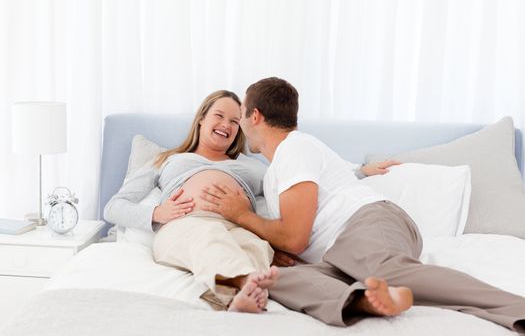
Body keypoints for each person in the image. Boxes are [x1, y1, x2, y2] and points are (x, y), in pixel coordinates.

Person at [200, 77, 525, 331]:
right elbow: (336, 180)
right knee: (274, 280)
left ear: (254, 115)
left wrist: (241, 214)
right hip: (340, 255)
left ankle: (517, 309)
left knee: (383, 267)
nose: (238, 125)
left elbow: (295, 236)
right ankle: (369, 300)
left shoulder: (294, 150)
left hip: (367, 224)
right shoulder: (286, 164)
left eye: (240, 114)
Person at [104, 90, 279, 313]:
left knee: (257, 247)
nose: (226, 125)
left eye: (235, 121)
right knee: (209, 236)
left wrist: (279, 242)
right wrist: (157, 214)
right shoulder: (167, 159)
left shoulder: (256, 167)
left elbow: (282, 204)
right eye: (219, 116)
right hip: (184, 226)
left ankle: (227, 300)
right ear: (201, 119)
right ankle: (248, 283)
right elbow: (113, 207)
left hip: (237, 227)